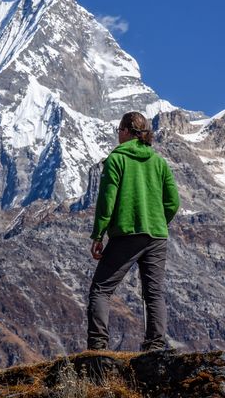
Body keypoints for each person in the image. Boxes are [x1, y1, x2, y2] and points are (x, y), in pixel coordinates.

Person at [87, 111, 180, 352]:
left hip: (127, 234)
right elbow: (173, 201)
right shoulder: (158, 162)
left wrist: (99, 234)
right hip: (157, 235)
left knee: (101, 289)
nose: (117, 134)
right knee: (154, 292)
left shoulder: (116, 159)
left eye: (118, 130)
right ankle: (155, 345)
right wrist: (159, 220)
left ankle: (98, 347)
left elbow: (107, 201)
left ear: (127, 131)